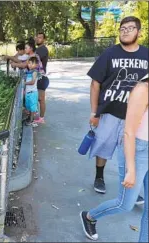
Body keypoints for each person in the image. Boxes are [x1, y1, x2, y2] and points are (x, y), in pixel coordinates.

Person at [86, 16, 148, 206]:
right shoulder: (109, 54)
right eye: (122, 28)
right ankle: (99, 177)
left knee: (133, 153)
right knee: (103, 146)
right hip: (111, 111)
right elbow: (95, 83)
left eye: (130, 28)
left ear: (138, 31)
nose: (125, 31)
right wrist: (94, 113)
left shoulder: (146, 55)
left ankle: (130, 190)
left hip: (137, 116)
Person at [80, 74, 148, 242]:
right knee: (125, 204)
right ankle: (90, 216)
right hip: (138, 149)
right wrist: (131, 169)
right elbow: (129, 131)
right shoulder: (143, 90)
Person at [35, 32, 50, 124]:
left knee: (41, 99)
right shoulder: (38, 49)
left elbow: (33, 60)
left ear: (44, 39)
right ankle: (37, 114)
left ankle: (41, 118)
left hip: (41, 77)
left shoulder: (43, 49)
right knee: (36, 97)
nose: (38, 39)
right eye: (37, 37)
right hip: (37, 76)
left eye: (40, 37)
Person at [24, 56, 40, 126]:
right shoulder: (28, 72)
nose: (29, 65)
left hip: (33, 93)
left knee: (32, 107)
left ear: (36, 65)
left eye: (32, 63)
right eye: (29, 63)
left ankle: (31, 120)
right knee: (29, 106)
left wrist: (24, 83)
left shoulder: (35, 72)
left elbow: (33, 82)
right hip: (28, 93)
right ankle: (29, 118)